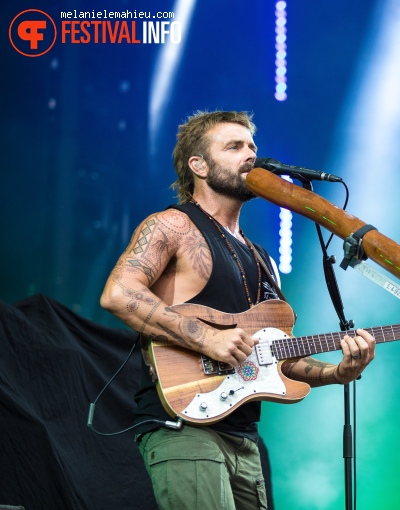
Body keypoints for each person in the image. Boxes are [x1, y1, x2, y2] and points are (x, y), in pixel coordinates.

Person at [100, 110, 376, 509]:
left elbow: (275, 356)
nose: (251, 155)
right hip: (184, 423)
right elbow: (118, 294)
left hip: (244, 439)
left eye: (252, 146)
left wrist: (339, 373)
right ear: (199, 165)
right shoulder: (172, 226)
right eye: (234, 147)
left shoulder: (263, 258)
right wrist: (208, 337)